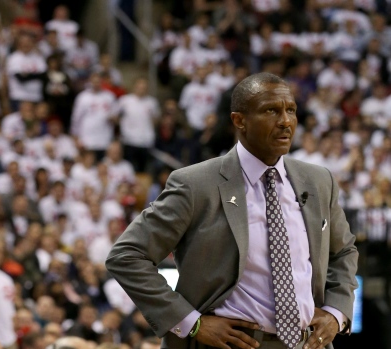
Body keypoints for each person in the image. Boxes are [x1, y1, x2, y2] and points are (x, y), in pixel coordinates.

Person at [106, 73, 358, 349]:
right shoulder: (196, 184)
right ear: (239, 120)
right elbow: (126, 255)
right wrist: (190, 322)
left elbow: (343, 251)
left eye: (291, 110)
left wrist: (336, 313)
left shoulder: (319, 180)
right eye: (271, 110)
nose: (286, 121)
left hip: (307, 343)